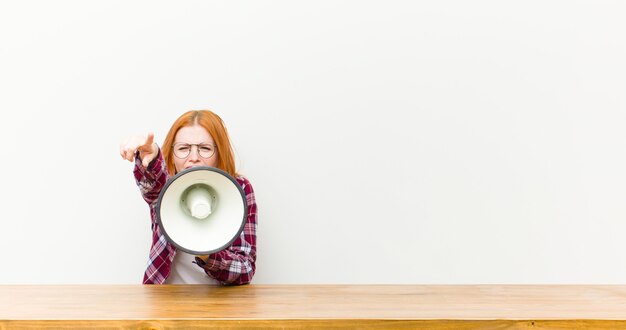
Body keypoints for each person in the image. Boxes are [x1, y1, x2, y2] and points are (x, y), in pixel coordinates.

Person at [120, 110, 257, 285]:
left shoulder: (240, 189)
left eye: (205, 148)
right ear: (172, 153)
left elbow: (245, 268)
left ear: (219, 153)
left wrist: (207, 253)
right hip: (164, 304)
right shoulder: (166, 187)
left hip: (222, 306)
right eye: (183, 148)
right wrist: (151, 154)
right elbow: (152, 179)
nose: (193, 158)